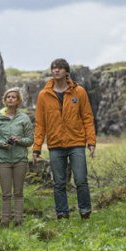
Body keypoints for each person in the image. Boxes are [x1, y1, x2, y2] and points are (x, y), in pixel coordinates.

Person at [32, 58, 96, 220]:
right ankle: (62, 213)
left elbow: (87, 118)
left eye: (59, 68)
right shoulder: (43, 95)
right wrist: (37, 147)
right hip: (55, 145)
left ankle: (85, 211)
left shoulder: (79, 92)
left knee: (81, 179)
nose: (56, 71)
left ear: (66, 72)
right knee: (59, 183)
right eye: (53, 68)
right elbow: (40, 123)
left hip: (76, 143)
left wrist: (91, 142)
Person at [0, 87, 34, 228]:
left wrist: (18, 140)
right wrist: (2, 144)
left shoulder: (24, 118)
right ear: (5, 100)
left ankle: (18, 221)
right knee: (6, 193)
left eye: (14, 97)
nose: (11, 99)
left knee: (18, 192)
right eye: (8, 97)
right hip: (4, 160)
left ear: (18, 100)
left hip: (20, 160)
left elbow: (30, 140)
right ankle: (5, 221)